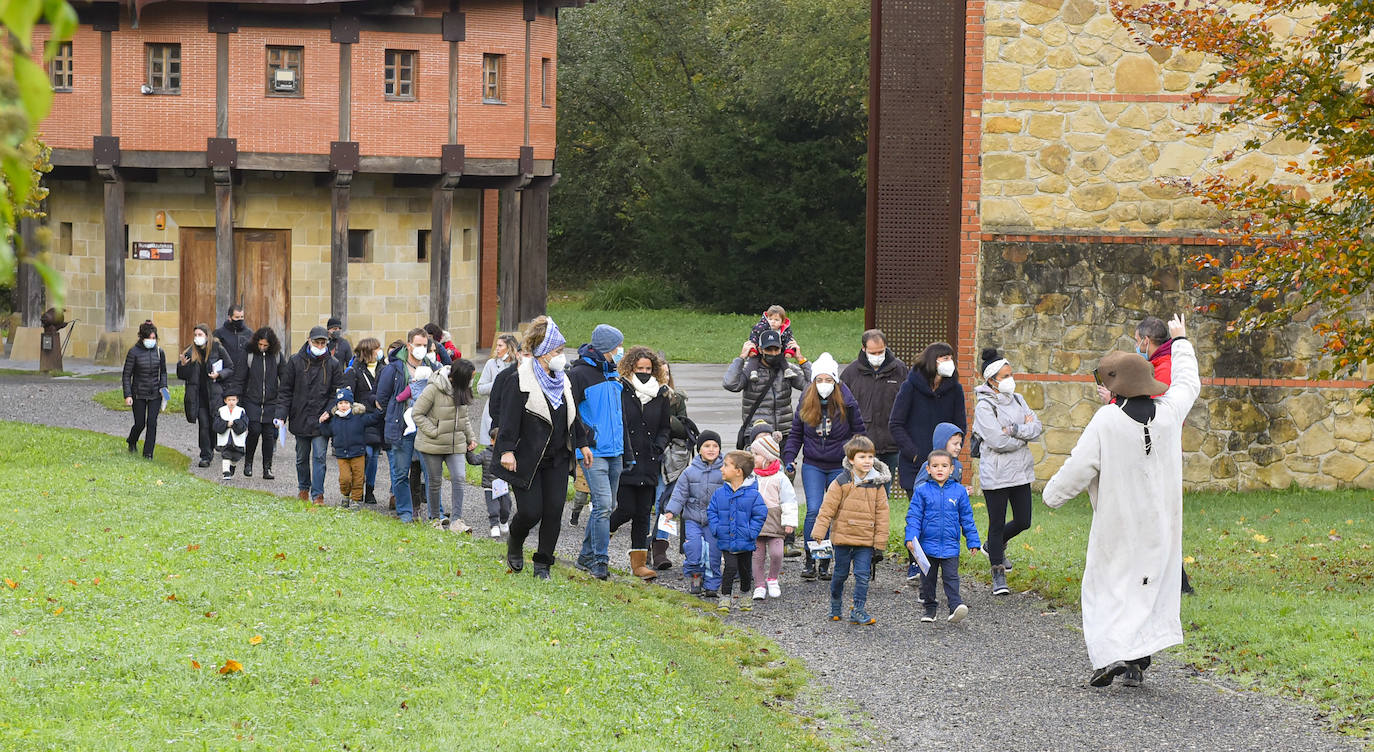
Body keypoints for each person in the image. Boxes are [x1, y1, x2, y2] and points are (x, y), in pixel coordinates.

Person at [1043, 315, 1199, 688]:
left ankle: (1109, 654)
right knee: (1146, 586)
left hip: (1117, 522)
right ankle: (1136, 660)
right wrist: (1181, 341)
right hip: (1159, 524)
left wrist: (1052, 496)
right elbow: (1188, 383)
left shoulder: (1107, 421)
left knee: (1106, 587)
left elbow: (1078, 467)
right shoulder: (1169, 413)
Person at [1098, 317, 1196, 596]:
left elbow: (1149, 407)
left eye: (1136, 339)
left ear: (1145, 341)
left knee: (1154, 515)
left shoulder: (1163, 367)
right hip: (1152, 447)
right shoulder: (1162, 362)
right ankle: (1170, 580)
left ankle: (1175, 582)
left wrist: (1113, 402)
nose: (1135, 344)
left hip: (1153, 450)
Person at [494, 317, 591, 580]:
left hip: (558, 458)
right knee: (530, 511)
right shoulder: (519, 381)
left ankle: (542, 565)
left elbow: (573, 415)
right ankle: (515, 541)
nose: (561, 356)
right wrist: (506, 450)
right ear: (542, 352)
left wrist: (582, 444)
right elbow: (508, 420)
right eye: (557, 351)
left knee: (553, 511)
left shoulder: (563, 381)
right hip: (528, 458)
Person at [782, 353, 866, 582]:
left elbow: (859, 433)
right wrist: (789, 457)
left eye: (828, 380)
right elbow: (796, 434)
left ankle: (826, 562)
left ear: (835, 381)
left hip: (839, 465)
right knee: (814, 509)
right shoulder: (805, 402)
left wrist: (856, 459)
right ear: (813, 382)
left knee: (833, 513)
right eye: (819, 380)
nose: (824, 385)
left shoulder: (847, 403)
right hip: (813, 465)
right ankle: (811, 558)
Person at [889, 342, 966, 581]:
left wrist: (949, 454)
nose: (947, 362)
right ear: (932, 361)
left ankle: (938, 566)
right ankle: (916, 563)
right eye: (943, 358)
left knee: (939, 517)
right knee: (919, 515)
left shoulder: (955, 389)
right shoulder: (910, 387)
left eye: (950, 358)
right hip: (916, 464)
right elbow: (896, 424)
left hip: (944, 465)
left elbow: (960, 425)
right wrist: (915, 454)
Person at [972, 347, 1043, 597]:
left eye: (1011, 374)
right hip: (997, 474)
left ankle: (993, 546)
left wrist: (1014, 431)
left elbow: (1036, 427)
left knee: (1024, 520)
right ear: (991, 380)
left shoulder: (1019, 399)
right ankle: (998, 572)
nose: (1010, 379)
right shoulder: (984, 407)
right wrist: (1021, 435)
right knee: (997, 521)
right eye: (1005, 376)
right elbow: (996, 441)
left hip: (1020, 472)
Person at [607, 347, 673, 580]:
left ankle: (639, 564)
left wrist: (659, 446)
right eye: (639, 368)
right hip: (626, 458)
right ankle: (598, 543)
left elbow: (666, 426)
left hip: (650, 460)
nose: (644, 372)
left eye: (648, 369)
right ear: (630, 368)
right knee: (626, 508)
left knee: (644, 512)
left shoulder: (662, 394)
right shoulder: (621, 389)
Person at [811, 436, 891, 625]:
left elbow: (882, 514)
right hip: (843, 540)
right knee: (840, 574)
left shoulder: (877, 485)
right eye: (862, 457)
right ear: (852, 459)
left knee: (863, 576)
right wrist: (819, 533)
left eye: (870, 457)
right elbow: (827, 508)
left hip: (865, 541)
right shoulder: (841, 482)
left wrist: (879, 542)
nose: (867, 461)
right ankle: (835, 604)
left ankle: (858, 609)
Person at [570, 324, 627, 581]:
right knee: (603, 505)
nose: (620, 351)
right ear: (606, 348)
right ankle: (601, 560)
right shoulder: (579, 374)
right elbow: (570, 414)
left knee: (607, 506)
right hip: (592, 451)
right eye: (617, 346)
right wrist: (583, 442)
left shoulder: (614, 374)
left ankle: (585, 555)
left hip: (616, 451)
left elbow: (619, 415)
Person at [905, 450, 981, 624]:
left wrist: (973, 541)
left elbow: (967, 518)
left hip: (950, 546)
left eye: (944, 466)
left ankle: (955, 606)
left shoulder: (959, 492)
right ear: (928, 469)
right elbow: (914, 516)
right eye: (935, 466)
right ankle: (930, 608)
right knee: (927, 580)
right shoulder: (922, 491)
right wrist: (911, 538)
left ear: (952, 469)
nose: (940, 469)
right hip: (927, 546)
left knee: (951, 578)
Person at [375, 329, 440, 523]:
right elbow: (382, 399)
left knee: (431, 473)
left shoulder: (431, 366)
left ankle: (436, 513)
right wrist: (396, 414)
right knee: (401, 472)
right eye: (418, 345)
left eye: (424, 345)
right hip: (402, 429)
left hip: (426, 429)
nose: (421, 349)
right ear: (409, 345)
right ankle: (405, 512)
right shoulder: (394, 368)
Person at [275, 325, 346, 503]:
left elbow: (336, 393)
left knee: (320, 457)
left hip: (322, 419)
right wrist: (281, 414)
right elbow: (285, 390)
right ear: (309, 341)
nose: (320, 346)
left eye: (323, 343)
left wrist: (329, 412)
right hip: (300, 416)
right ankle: (303, 488)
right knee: (301, 457)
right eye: (317, 342)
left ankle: (318, 494)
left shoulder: (333, 364)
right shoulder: (295, 361)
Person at [840, 329, 909, 494]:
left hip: (892, 443)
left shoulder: (899, 370)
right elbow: (842, 409)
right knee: (861, 491)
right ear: (864, 349)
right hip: (863, 445)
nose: (878, 355)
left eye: (881, 351)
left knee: (883, 493)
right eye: (873, 352)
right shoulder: (850, 373)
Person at [413, 359, 479, 531]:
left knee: (459, 478)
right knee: (434, 482)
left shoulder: (463, 390)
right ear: (460, 377)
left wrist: (470, 437)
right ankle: (435, 519)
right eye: (470, 378)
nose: (472, 381)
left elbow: (464, 418)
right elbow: (417, 413)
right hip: (432, 444)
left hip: (455, 443)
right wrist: (434, 431)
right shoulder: (433, 388)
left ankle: (457, 520)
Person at [724, 329, 812, 450]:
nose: (773, 353)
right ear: (760, 350)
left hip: (784, 433)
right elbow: (730, 384)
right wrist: (741, 357)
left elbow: (812, 385)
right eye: (768, 350)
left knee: (783, 468)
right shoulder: (749, 369)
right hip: (756, 433)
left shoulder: (788, 370)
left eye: (776, 349)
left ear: (781, 349)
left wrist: (801, 359)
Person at [664, 431, 725, 597]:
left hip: (714, 520)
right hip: (693, 518)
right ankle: (696, 577)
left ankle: (712, 584)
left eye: (715, 446)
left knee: (713, 552)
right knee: (693, 548)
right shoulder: (689, 472)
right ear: (699, 449)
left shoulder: (725, 470)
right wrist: (671, 511)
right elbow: (679, 494)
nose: (711, 449)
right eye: (706, 446)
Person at [707, 450, 767, 614]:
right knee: (730, 567)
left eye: (726, 465)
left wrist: (751, 532)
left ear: (738, 471)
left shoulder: (753, 495)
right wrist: (716, 528)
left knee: (745, 570)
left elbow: (760, 514)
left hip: (745, 541)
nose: (721, 468)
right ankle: (725, 596)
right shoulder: (719, 493)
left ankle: (745, 593)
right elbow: (711, 511)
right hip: (727, 539)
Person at [651, 357, 692, 571]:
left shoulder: (676, 399)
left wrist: (666, 417)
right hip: (648, 458)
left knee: (665, 501)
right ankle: (642, 545)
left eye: (667, 374)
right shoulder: (642, 396)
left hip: (671, 460)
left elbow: (683, 429)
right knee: (646, 503)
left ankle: (660, 549)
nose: (664, 378)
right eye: (660, 374)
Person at [230, 327, 287, 480]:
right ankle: (248, 462)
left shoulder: (276, 356)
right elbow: (239, 378)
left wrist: (282, 402)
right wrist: (235, 400)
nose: (262, 347)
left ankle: (267, 467)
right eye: (260, 344)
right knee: (254, 430)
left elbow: (285, 378)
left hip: (271, 402)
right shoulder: (248, 355)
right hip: (252, 400)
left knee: (269, 435)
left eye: (265, 345)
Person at [177, 322, 235, 468]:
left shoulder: (217, 348)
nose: (197, 338)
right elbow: (182, 375)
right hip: (199, 396)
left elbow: (230, 367)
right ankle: (205, 455)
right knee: (203, 424)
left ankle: (214, 444)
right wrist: (183, 365)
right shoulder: (190, 352)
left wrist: (219, 374)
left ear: (207, 336)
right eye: (195, 335)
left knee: (212, 425)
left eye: (200, 335)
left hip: (214, 394)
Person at [749, 433, 797, 600]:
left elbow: (789, 500)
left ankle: (773, 579)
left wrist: (789, 521)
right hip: (755, 522)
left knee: (777, 553)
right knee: (757, 555)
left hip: (775, 522)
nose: (753, 457)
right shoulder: (750, 477)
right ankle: (759, 585)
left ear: (768, 457)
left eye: (756, 454)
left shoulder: (780, 478)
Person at [319, 387, 377, 509]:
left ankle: (356, 500)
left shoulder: (359, 417)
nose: (343, 406)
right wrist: (322, 422)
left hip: (358, 453)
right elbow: (327, 432)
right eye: (340, 403)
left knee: (358, 477)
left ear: (351, 404)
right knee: (345, 478)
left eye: (346, 403)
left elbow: (373, 419)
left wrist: (380, 410)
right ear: (337, 405)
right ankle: (345, 496)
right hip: (342, 454)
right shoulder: (334, 420)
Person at [346, 338, 386, 504]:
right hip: (362, 419)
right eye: (376, 349)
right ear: (368, 352)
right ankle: (357, 486)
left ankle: (370, 489)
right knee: (367, 454)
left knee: (374, 456)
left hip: (379, 418)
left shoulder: (384, 369)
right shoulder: (354, 371)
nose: (379, 352)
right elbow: (349, 396)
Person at [122, 320, 167, 459]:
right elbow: (126, 375)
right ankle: (132, 440)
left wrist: (163, 387)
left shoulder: (159, 352)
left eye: (154, 338)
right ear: (142, 338)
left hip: (155, 393)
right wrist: (128, 394)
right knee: (140, 423)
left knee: (152, 423)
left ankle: (148, 453)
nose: (151, 341)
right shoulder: (133, 352)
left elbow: (163, 372)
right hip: (138, 393)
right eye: (149, 338)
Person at [477, 334, 519, 442]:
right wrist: (498, 382)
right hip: (494, 409)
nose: (497, 349)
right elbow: (480, 388)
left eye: (500, 346)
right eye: (497, 345)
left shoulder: (518, 365)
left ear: (510, 348)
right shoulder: (491, 364)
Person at [466, 444, 511, 538]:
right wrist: (468, 451)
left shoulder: (508, 455)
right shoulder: (485, 453)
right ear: (492, 440)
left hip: (503, 488)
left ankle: (503, 521)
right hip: (490, 487)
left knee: (506, 508)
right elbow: (474, 460)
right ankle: (494, 525)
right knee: (493, 509)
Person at [212, 391, 248, 480]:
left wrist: (235, 424)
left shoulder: (241, 411)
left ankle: (232, 465)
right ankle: (226, 472)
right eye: (229, 400)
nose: (231, 402)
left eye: (233, 400)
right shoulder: (221, 411)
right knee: (226, 454)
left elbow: (244, 424)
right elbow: (216, 425)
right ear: (225, 401)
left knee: (236, 456)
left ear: (237, 400)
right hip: (226, 438)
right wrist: (226, 424)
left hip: (237, 438)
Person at [213, 305, 252, 371]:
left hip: (243, 376)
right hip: (225, 374)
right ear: (230, 318)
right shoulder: (219, 333)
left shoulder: (249, 333)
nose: (240, 319)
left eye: (242, 317)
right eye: (237, 317)